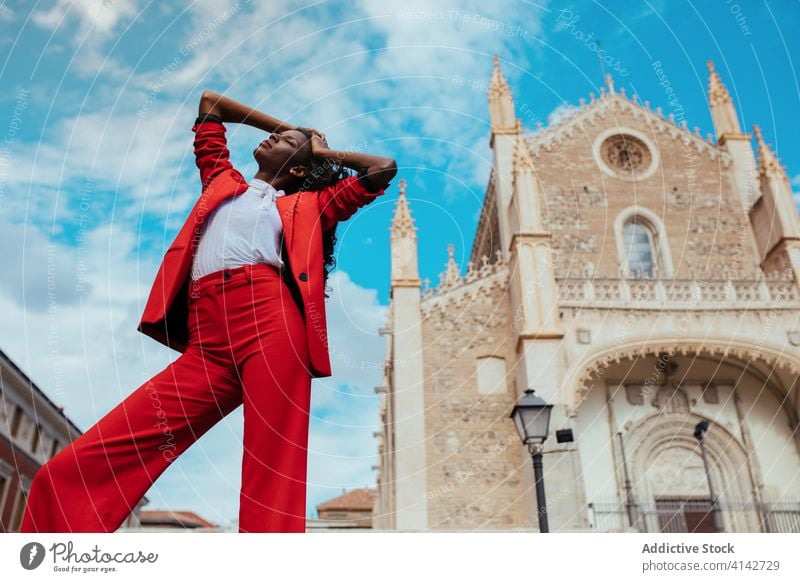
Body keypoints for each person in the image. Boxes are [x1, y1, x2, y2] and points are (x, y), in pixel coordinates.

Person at [19, 90, 397, 533]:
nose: (274, 137)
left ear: (298, 168)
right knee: (86, 458)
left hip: (272, 324)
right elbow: (211, 104)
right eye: (276, 134)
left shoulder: (310, 205)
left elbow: (381, 169)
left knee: (273, 463)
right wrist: (291, 127)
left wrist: (318, 150)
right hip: (208, 340)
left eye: (284, 140)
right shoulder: (221, 180)